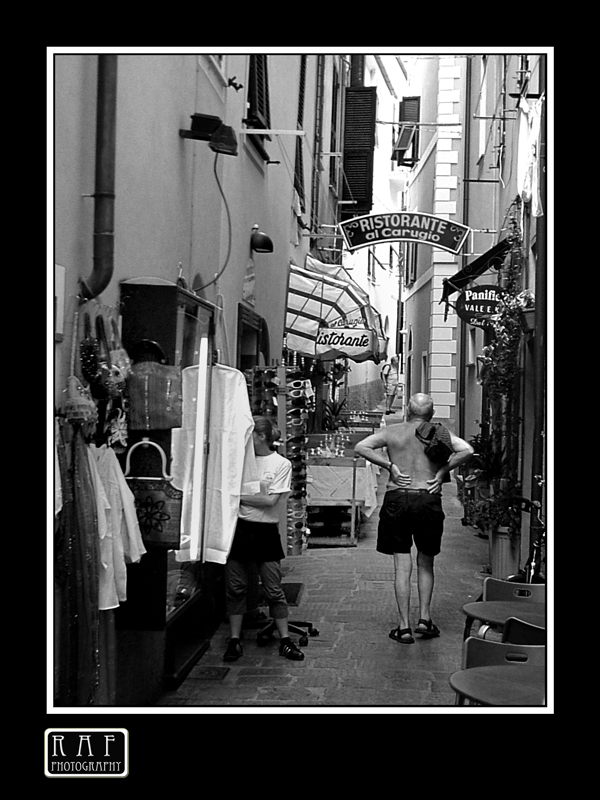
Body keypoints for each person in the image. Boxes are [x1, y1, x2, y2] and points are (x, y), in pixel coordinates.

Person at [355, 393, 473, 644]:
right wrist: (441, 472)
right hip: (427, 497)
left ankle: (404, 626)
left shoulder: (393, 432)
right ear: (431, 413)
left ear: (408, 410)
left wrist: (390, 466)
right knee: (426, 561)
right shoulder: (437, 433)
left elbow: (361, 446)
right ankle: (425, 618)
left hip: (398, 497)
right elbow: (467, 450)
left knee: (401, 564)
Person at [223, 416, 305, 662]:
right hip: (239, 528)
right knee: (235, 588)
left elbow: (271, 501)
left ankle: (285, 639)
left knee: (273, 588)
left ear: (260, 436)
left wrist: (236, 497)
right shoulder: (239, 462)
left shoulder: (281, 464)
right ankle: (235, 639)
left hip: (265, 531)